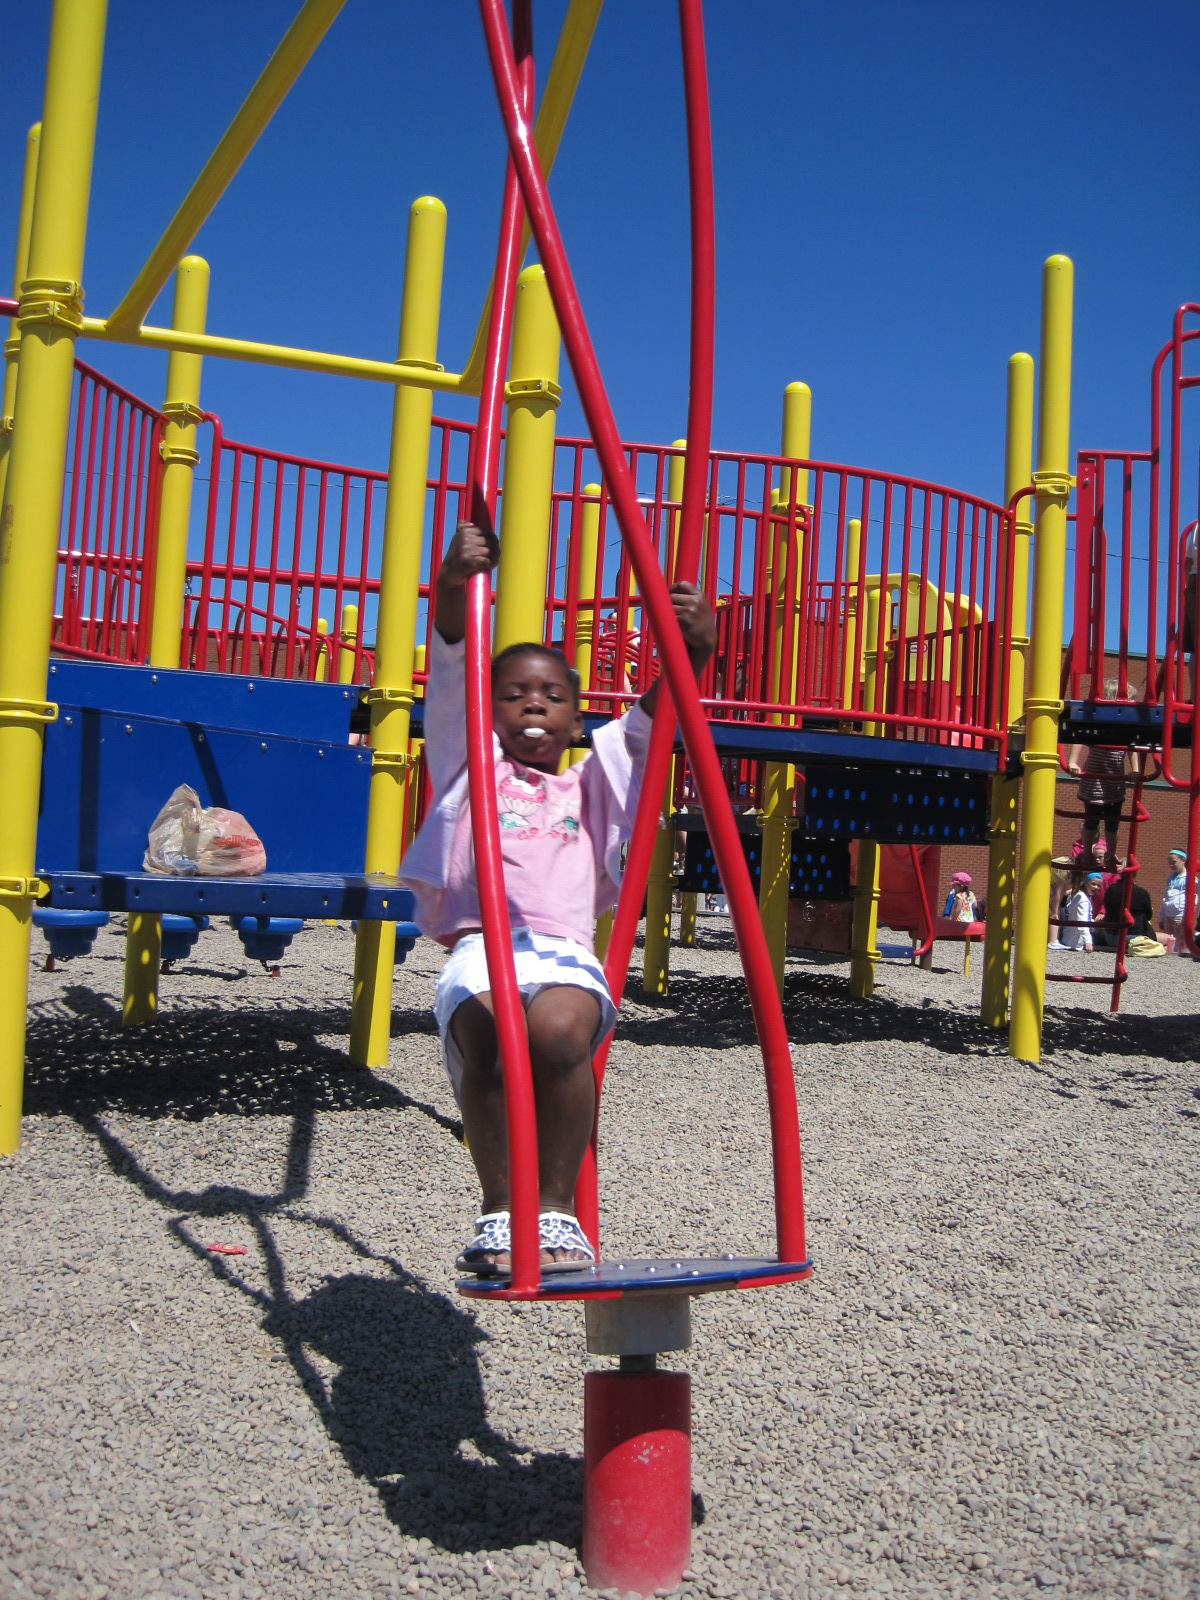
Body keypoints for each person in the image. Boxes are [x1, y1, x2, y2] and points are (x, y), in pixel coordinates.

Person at [400, 520, 716, 1276]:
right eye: (512, 694)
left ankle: (556, 1206)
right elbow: (449, 676)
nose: (532, 705)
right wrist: (451, 590)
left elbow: (649, 725)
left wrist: (693, 650)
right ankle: (501, 1206)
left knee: (561, 1031)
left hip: (562, 948)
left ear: (577, 718)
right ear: (489, 712)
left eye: (551, 695)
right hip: (482, 946)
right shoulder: (467, 768)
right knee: (489, 1037)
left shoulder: (592, 783)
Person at [1067, 743, 1132, 869]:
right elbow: (1079, 738)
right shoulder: (1097, 730)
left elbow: (1132, 747)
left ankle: (1111, 854)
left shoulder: (1124, 733)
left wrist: (1135, 769)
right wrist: (1072, 762)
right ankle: (1087, 853)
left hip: (1114, 784)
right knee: (1091, 820)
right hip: (1094, 782)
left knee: (1113, 822)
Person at [1095, 871, 1154, 950]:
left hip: (1110, 937)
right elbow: (1149, 916)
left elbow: (1107, 907)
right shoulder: (1142, 893)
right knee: (1166, 939)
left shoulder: (1111, 890)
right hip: (1132, 939)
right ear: (1135, 875)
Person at [1160, 848, 1194, 949]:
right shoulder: (1171, 877)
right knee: (1169, 944)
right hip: (1168, 915)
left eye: (1174, 862)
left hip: (1179, 916)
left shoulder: (1189, 878)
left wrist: (1185, 915)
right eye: (1169, 863)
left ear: (1183, 860)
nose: (1171, 865)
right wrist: (1161, 917)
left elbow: (1193, 900)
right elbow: (1166, 897)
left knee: (1180, 945)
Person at [1059, 870, 1095, 953]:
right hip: (1075, 944)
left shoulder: (1081, 895)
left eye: (1099, 885)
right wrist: (1088, 941)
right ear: (1086, 883)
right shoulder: (1083, 899)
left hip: (1071, 939)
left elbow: (1069, 909)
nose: (1096, 887)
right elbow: (1082, 922)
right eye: (1093, 884)